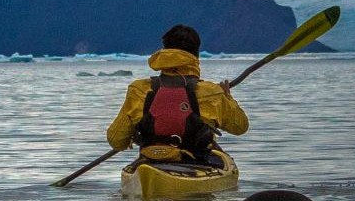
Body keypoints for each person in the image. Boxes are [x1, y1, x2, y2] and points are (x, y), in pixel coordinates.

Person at [105, 24, 249, 162]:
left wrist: (130, 136)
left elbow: (116, 141)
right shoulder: (211, 92)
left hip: (150, 161)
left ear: (164, 50)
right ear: (196, 55)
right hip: (197, 163)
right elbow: (240, 127)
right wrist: (227, 97)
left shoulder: (139, 90)